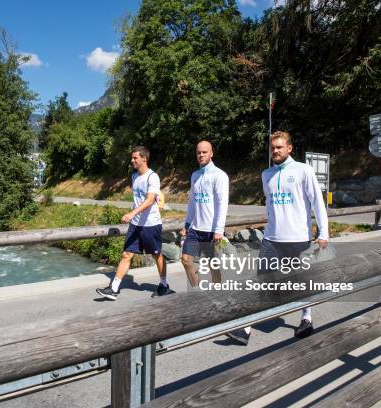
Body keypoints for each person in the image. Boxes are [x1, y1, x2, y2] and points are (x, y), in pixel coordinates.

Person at [228, 130, 329, 345]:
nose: (275, 150)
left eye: (280, 147)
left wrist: (324, 233)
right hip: (272, 238)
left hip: (298, 238)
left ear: (289, 148)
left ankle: (306, 318)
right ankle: (246, 328)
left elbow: (318, 204)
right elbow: (271, 206)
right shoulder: (267, 175)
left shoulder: (304, 171)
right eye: (273, 147)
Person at [96, 146, 171, 300]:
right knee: (126, 254)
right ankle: (114, 288)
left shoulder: (153, 177)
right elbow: (137, 200)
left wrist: (132, 213)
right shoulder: (134, 176)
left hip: (151, 224)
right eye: (132, 158)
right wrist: (133, 215)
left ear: (144, 158)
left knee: (156, 255)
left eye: (135, 158)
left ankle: (164, 284)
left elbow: (150, 200)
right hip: (136, 224)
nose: (132, 160)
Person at [180, 140, 229, 287]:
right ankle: (197, 293)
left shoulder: (219, 175)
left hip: (212, 230)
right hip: (196, 228)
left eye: (204, 152)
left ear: (211, 153)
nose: (201, 155)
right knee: (186, 260)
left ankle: (218, 292)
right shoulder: (195, 175)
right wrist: (187, 224)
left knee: (212, 265)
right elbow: (193, 203)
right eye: (198, 152)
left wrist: (219, 230)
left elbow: (222, 204)